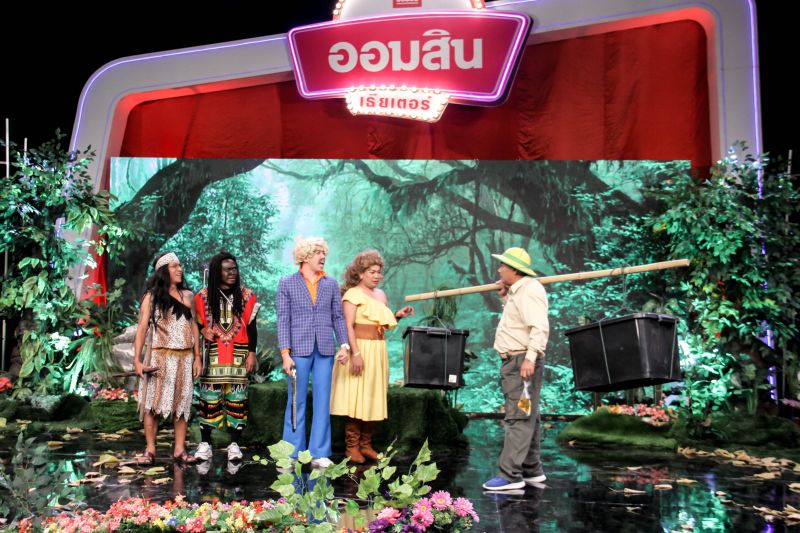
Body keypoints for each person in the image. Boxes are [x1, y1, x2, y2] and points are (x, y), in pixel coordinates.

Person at [330, 250, 414, 463]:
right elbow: (347, 326)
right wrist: (356, 354)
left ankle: (366, 445)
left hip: (377, 350)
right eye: (371, 272)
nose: (376, 276)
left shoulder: (381, 295)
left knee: (372, 397)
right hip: (359, 349)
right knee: (356, 397)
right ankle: (351, 447)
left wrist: (397, 316)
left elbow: (379, 325)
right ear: (360, 273)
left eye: (378, 272)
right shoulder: (352, 295)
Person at [277, 237, 349, 468]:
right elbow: (283, 320)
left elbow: (338, 317)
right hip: (298, 350)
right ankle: (290, 453)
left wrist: (344, 345)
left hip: (325, 350)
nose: (323, 256)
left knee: (322, 401)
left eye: (324, 252)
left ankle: (319, 453)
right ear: (305, 256)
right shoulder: (287, 283)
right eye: (318, 252)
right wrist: (285, 354)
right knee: (295, 400)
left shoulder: (331, 284)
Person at [482, 247, 550, 491]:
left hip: (521, 361)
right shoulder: (518, 291)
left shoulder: (530, 290)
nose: (499, 269)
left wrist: (530, 359)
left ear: (514, 270)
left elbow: (539, 327)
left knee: (518, 416)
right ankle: (532, 469)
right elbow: (517, 322)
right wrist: (504, 297)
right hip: (517, 359)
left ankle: (510, 475)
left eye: (503, 266)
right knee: (527, 413)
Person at [134, 252, 202, 464]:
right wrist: (137, 360)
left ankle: (179, 450)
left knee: (181, 405)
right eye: (174, 266)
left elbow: (194, 326)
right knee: (152, 405)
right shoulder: (151, 297)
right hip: (159, 357)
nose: (180, 269)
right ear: (164, 271)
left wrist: (197, 357)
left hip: (184, 358)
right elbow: (142, 329)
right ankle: (150, 450)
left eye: (180, 265)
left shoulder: (188, 296)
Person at [193, 251, 259, 465]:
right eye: (227, 270)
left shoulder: (247, 296)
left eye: (235, 269)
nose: (233, 273)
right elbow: (196, 325)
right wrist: (203, 330)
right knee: (208, 400)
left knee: (237, 401)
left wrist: (251, 353)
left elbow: (252, 327)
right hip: (213, 354)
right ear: (216, 272)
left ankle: (234, 445)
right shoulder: (202, 297)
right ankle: (205, 444)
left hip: (239, 355)